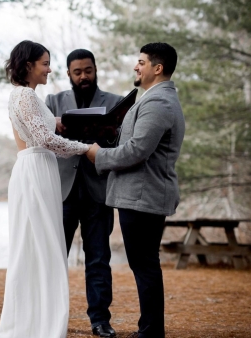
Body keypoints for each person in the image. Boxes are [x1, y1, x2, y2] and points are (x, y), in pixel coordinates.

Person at [86, 42, 185, 338]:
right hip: (141, 197)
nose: (135, 66)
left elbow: (137, 150)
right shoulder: (153, 99)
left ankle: (151, 331)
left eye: (141, 62)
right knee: (144, 264)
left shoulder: (158, 103)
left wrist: (97, 155)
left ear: (158, 68)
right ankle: (149, 328)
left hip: (143, 198)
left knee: (145, 266)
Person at [0, 41, 90, 338]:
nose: (49, 69)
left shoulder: (27, 96)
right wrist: (86, 148)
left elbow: (41, 129)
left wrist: (58, 122)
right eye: (45, 63)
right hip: (35, 169)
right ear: (28, 65)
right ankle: (38, 325)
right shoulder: (25, 95)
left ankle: (37, 320)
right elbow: (45, 141)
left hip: (38, 169)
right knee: (40, 247)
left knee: (38, 247)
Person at [45, 49, 123, 338]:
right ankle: (51, 317)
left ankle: (100, 321)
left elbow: (122, 142)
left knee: (99, 259)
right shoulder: (52, 102)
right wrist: (51, 122)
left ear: (95, 69)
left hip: (98, 192)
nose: (83, 76)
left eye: (88, 70)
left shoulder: (115, 103)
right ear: (68, 74)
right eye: (77, 72)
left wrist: (110, 133)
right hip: (62, 192)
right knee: (55, 257)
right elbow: (38, 136)